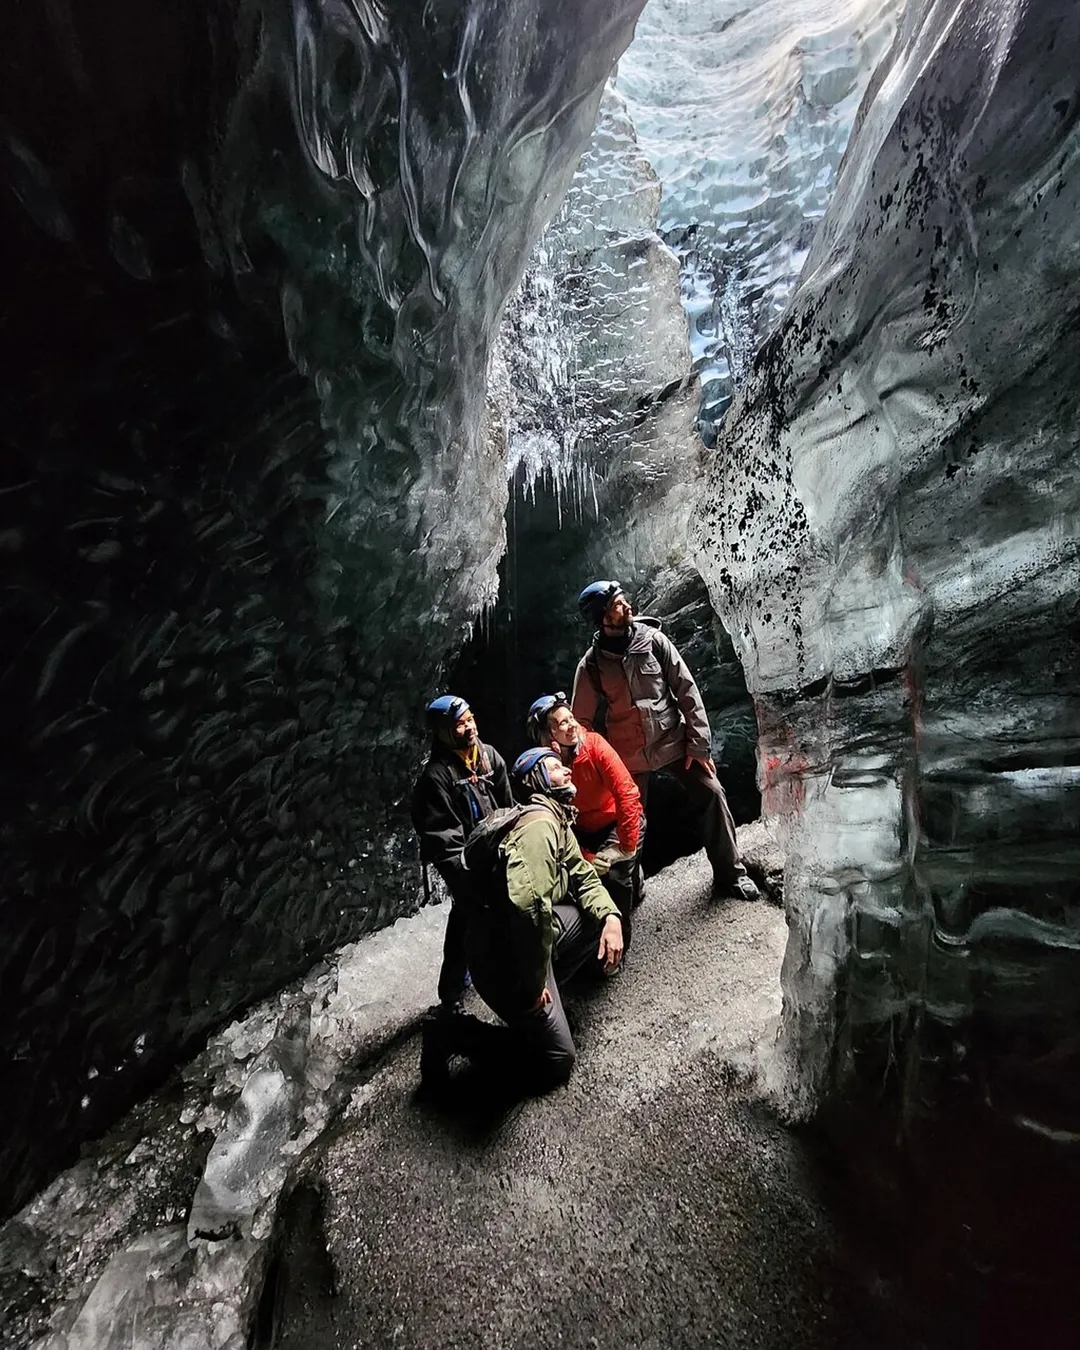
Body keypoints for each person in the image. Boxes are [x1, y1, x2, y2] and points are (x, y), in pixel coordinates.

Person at [420, 747, 623, 1094]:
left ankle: (545, 989)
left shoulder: (555, 820)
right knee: (556, 1060)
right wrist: (531, 985)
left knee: (596, 920)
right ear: (538, 781)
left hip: (522, 939)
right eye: (557, 768)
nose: (568, 772)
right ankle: (452, 1033)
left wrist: (611, 917)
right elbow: (528, 907)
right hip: (500, 956)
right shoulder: (538, 828)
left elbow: (583, 876)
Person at [571, 580, 760, 902]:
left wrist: (698, 745)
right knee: (628, 819)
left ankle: (731, 874)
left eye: (623, 600)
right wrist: (598, 770)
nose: (626, 607)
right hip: (628, 755)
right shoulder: (591, 665)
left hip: (673, 741)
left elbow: (687, 690)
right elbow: (581, 723)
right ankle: (630, 889)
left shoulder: (654, 641)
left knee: (712, 793)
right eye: (617, 605)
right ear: (602, 618)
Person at [411, 694, 512, 1011]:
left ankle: (504, 973)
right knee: (466, 924)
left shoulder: (489, 758)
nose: (468, 727)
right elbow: (442, 838)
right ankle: (451, 996)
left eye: (469, 719)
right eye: (459, 724)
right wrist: (465, 876)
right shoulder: (437, 779)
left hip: (497, 854)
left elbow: (508, 806)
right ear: (442, 730)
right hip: (467, 866)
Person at [526, 692, 643, 949]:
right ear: (549, 736)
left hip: (615, 821)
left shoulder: (594, 745)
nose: (572, 726)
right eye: (561, 723)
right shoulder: (547, 770)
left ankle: (618, 945)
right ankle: (635, 880)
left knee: (616, 879)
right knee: (591, 876)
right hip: (581, 830)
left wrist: (624, 846)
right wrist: (587, 858)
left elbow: (627, 794)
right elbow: (557, 825)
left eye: (571, 718)